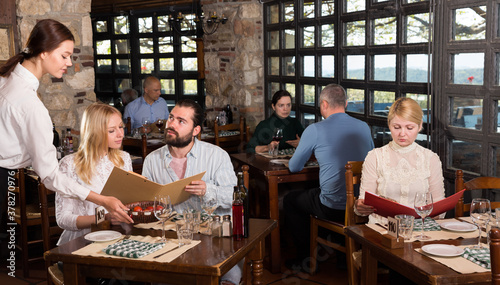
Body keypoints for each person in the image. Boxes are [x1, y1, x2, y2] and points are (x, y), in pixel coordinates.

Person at [0, 19, 132, 224]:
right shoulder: (30, 104)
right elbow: (51, 176)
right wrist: (102, 200)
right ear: (43, 52)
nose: (69, 63)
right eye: (64, 56)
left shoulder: (6, 79)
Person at [142, 99, 241, 285]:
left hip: (213, 243)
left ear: (196, 130)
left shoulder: (217, 156)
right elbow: (148, 207)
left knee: (232, 277)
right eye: (171, 118)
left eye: (181, 121)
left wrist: (207, 190)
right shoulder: (151, 161)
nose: (171, 124)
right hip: (170, 245)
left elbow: (235, 198)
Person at [283, 84, 374, 271]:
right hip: (362, 205)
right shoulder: (364, 127)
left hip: (333, 207)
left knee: (291, 200)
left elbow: (294, 167)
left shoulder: (315, 130)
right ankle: (342, 256)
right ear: (346, 103)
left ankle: (305, 259)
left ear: (324, 104)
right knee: (325, 193)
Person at [354, 97, 445, 224]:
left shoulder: (431, 159)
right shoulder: (375, 157)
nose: (402, 134)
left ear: (419, 126)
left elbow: (438, 206)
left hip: (419, 230)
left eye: (409, 128)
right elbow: (363, 203)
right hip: (382, 229)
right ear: (389, 125)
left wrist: (433, 215)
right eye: (397, 127)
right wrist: (361, 206)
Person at [56, 103, 133, 245]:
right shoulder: (69, 164)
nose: (120, 134)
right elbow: (63, 219)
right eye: (111, 131)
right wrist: (104, 217)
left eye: (121, 127)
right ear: (95, 132)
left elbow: (127, 203)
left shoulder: (124, 158)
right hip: (82, 241)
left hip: (119, 236)